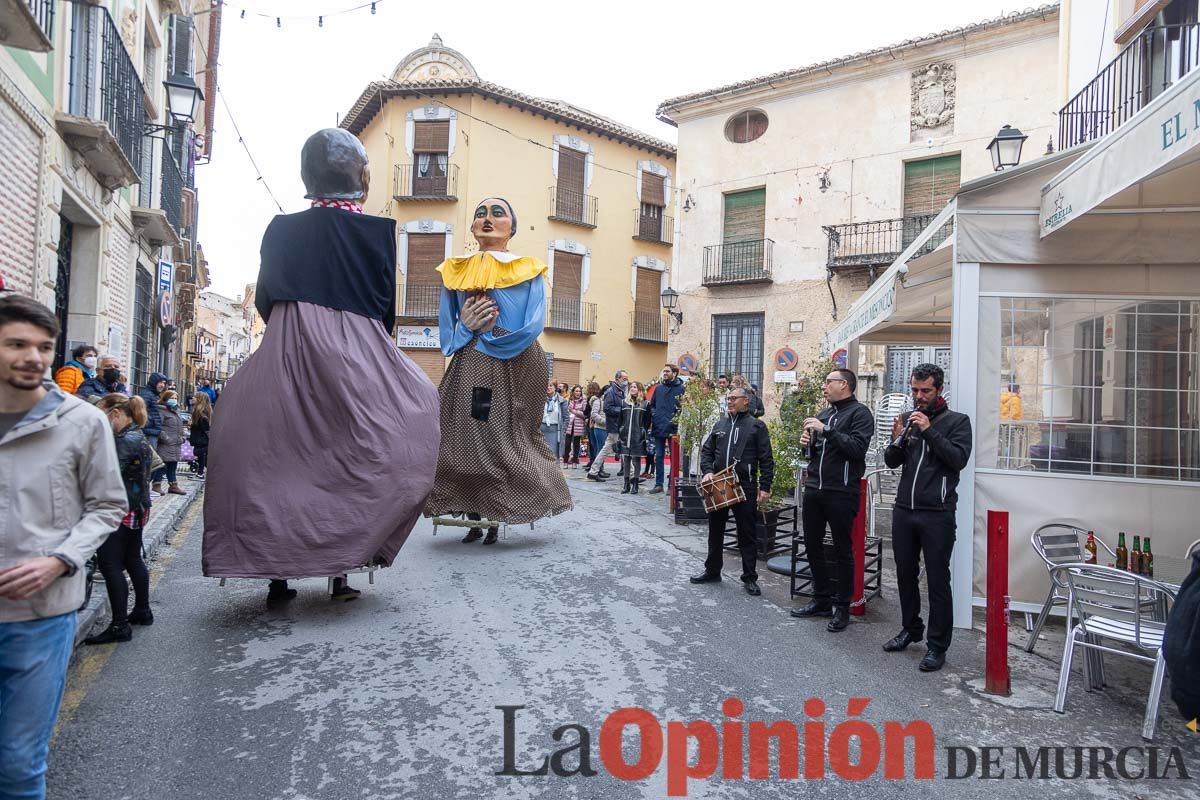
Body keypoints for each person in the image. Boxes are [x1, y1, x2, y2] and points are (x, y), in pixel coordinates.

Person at [203, 128, 441, 607]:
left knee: (274, 458)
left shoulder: (280, 228)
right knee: (364, 450)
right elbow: (382, 306)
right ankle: (341, 571)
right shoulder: (377, 232)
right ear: (361, 176)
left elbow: (267, 300)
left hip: (288, 346)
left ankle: (278, 578)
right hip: (358, 350)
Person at [0, 295, 126, 800]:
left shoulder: (82, 422)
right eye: (16, 344)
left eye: (43, 347)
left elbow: (106, 506)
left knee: (19, 766)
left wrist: (61, 559)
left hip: (41, 618)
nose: (32, 356)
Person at [423, 196, 572, 531]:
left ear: (511, 227)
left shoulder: (528, 267)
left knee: (515, 431)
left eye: (497, 213)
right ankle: (473, 507)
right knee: (467, 429)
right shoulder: (456, 270)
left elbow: (534, 323)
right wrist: (468, 327)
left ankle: (517, 499)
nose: (487, 218)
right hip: (473, 360)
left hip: (518, 361)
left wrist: (495, 337)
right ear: (474, 227)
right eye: (480, 214)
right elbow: (447, 332)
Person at [882, 363, 973, 673]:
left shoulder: (957, 422)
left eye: (925, 391)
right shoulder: (906, 420)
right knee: (904, 575)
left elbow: (957, 460)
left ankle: (937, 646)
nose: (918, 397)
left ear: (939, 390)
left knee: (937, 580)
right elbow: (892, 462)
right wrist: (897, 439)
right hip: (904, 510)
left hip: (938, 514)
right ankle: (911, 628)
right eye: (914, 390)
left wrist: (928, 430)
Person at [790, 369, 875, 632]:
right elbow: (814, 454)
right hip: (815, 487)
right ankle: (821, 599)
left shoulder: (860, 414)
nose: (824, 386)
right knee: (812, 545)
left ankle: (842, 607)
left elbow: (856, 449)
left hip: (841, 490)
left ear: (844, 384)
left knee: (842, 550)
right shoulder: (824, 414)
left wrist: (825, 430)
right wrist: (807, 443)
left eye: (829, 382)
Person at [83, 394, 156, 645]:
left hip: (119, 510)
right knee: (133, 558)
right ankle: (142, 611)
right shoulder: (139, 434)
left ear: (115, 413)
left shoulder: (123, 440)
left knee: (111, 565)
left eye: (102, 415)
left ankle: (119, 625)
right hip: (137, 507)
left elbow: (106, 474)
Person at [691, 387, 774, 597]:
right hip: (719, 484)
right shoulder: (720, 425)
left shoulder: (757, 426)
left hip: (744, 485)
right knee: (715, 530)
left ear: (746, 401)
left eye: (734, 398)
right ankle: (712, 571)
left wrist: (765, 486)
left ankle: (749, 578)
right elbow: (707, 451)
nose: (729, 401)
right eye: (728, 398)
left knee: (747, 533)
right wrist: (708, 472)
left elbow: (766, 459)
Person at [646, 364, 686, 494]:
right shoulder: (659, 388)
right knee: (659, 456)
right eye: (664, 371)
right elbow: (652, 405)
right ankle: (659, 484)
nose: (665, 373)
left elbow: (683, 408)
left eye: (667, 371)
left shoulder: (681, 389)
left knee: (674, 458)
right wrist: (654, 414)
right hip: (658, 427)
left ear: (674, 373)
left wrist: (676, 420)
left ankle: (671, 486)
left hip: (673, 428)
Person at [587, 371, 628, 482]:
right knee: (623, 449)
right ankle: (632, 475)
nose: (626, 381)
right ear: (617, 379)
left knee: (606, 449)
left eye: (626, 378)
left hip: (617, 424)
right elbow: (607, 408)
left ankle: (593, 471)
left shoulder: (620, 391)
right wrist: (622, 410)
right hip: (614, 425)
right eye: (624, 378)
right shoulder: (611, 391)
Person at [616, 382, 649, 494]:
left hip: (637, 436)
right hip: (625, 435)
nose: (632, 389)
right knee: (626, 460)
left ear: (639, 389)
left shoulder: (645, 404)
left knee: (636, 459)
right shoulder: (624, 403)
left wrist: (642, 431)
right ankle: (626, 484)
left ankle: (635, 484)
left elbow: (647, 422)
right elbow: (620, 419)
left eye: (634, 387)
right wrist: (620, 431)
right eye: (631, 387)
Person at [155, 389, 187, 495]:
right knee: (162, 465)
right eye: (172, 398)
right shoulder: (161, 410)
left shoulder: (176, 411)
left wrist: (182, 437)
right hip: (166, 444)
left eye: (176, 398)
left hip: (176, 444)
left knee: (173, 466)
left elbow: (180, 426)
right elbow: (158, 427)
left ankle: (173, 486)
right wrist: (166, 439)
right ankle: (157, 485)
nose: (174, 400)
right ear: (166, 399)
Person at [584, 381, 607, 474]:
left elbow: (586, 412)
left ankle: (594, 465)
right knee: (599, 447)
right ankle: (597, 468)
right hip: (596, 425)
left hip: (592, 424)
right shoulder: (596, 400)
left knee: (595, 446)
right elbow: (592, 413)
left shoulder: (592, 399)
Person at [563, 384, 587, 467]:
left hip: (578, 425)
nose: (578, 393)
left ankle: (574, 462)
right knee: (567, 444)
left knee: (576, 444)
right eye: (576, 391)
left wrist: (574, 411)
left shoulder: (583, 401)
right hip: (569, 425)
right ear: (573, 392)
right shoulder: (569, 400)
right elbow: (566, 412)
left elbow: (584, 414)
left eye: (579, 391)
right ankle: (565, 461)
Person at [189, 392, 211, 478]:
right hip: (199, 439)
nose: (192, 398)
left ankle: (201, 472)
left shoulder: (201, 415)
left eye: (195, 397)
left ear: (199, 400)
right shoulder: (197, 412)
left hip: (201, 440)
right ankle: (201, 471)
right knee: (200, 455)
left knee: (201, 455)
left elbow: (206, 429)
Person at [541, 381, 563, 458]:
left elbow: (566, 417)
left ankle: (554, 470)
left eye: (551, 386)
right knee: (541, 453)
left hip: (554, 430)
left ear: (555, 388)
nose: (548, 387)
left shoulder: (561, 400)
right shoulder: (540, 399)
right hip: (541, 429)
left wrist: (563, 429)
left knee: (553, 453)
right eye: (547, 386)